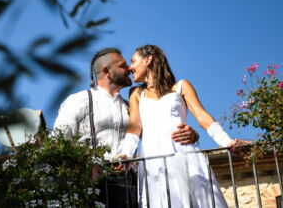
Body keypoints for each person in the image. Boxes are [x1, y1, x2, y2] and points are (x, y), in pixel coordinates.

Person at [53, 47, 198, 208]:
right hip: (92, 186)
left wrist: (192, 134)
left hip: (130, 189)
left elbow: (157, 132)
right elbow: (59, 144)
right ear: (107, 70)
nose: (129, 68)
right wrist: (85, 166)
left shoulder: (133, 107)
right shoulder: (78, 101)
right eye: (123, 65)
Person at [120, 44, 250, 208]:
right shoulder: (136, 93)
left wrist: (227, 142)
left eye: (133, 61)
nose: (130, 67)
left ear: (148, 59)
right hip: (153, 161)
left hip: (183, 155)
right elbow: (134, 127)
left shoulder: (181, 86)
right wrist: (125, 154)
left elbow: (202, 116)